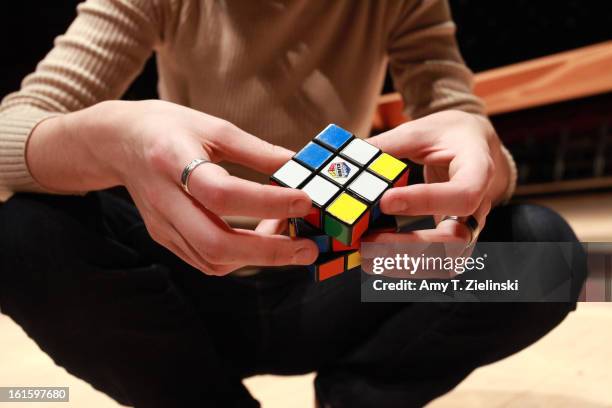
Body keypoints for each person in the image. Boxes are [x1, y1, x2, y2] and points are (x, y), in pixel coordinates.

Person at [0, 1, 586, 407]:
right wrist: (104, 136)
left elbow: (457, 112)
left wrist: (481, 153)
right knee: (19, 232)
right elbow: (15, 128)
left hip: (347, 272)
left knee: (549, 258)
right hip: (179, 281)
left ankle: (358, 396)